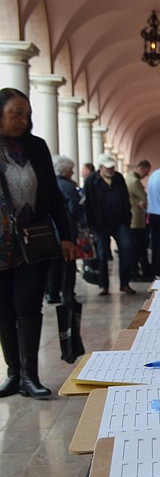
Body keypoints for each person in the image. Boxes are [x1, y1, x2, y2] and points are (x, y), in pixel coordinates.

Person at [0, 87, 76, 399]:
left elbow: (54, 196)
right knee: (4, 308)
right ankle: (14, 373)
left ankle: (30, 375)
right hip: (1, 244)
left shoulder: (36, 147)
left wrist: (67, 235)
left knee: (28, 304)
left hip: (34, 239)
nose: (22, 119)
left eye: (26, 114)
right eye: (15, 112)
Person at [84, 152, 135, 295]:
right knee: (102, 254)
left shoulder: (118, 178)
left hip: (120, 221)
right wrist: (90, 225)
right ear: (100, 167)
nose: (111, 170)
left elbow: (125, 198)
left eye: (112, 167)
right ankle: (103, 285)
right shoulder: (91, 181)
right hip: (100, 224)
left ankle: (125, 283)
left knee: (126, 249)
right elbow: (88, 204)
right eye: (108, 167)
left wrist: (128, 217)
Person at [45, 155, 82, 304]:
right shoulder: (67, 186)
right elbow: (74, 207)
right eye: (71, 170)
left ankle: (52, 293)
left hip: (51, 229)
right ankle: (67, 294)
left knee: (55, 262)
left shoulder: (50, 183)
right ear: (65, 171)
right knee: (68, 262)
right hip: (66, 229)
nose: (72, 173)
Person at [127, 159, 152, 281]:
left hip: (135, 218)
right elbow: (144, 198)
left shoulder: (129, 178)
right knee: (137, 247)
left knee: (139, 247)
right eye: (146, 172)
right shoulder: (134, 181)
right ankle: (134, 272)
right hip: (136, 219)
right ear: (141, 168)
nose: (146, 175)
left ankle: (138, 270)